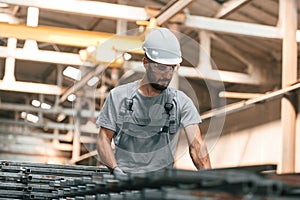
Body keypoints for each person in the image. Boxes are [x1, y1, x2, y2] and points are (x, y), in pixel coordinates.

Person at [96, 28, 211, 176]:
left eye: (172, 68)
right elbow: (103, 139)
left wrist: (210, 180)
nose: (167, 75)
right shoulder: (118, 97)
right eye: (161, 67)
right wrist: (115, 170)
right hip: (124, 182)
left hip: (161, 184)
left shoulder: (181, 102)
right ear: (146, 63)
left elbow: (196, 146)